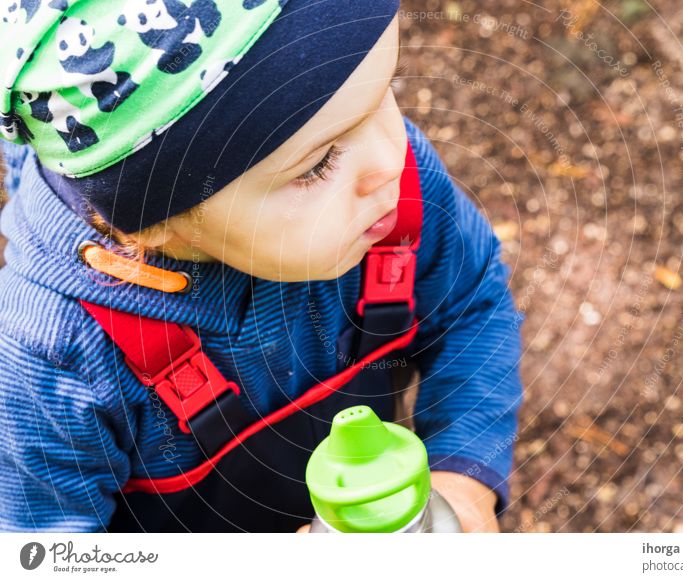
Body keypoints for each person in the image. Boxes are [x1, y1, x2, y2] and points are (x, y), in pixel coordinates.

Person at [0, 0, 522, 532]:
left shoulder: (396, 196)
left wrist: (464, 474)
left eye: (382, 90)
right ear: (150, 222)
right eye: (319, 163)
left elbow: (471, 307)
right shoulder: (54, 362)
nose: (390, 160)